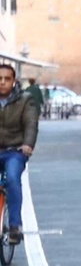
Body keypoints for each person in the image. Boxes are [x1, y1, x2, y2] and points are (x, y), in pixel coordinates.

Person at [0, 63, 38, 242]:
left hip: (15, 150)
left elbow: (31, 123)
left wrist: (27, 144)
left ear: (14, 81)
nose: (2, 83)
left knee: (13, 178)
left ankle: (15, 226)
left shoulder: (25, 99)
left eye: (7, 79)